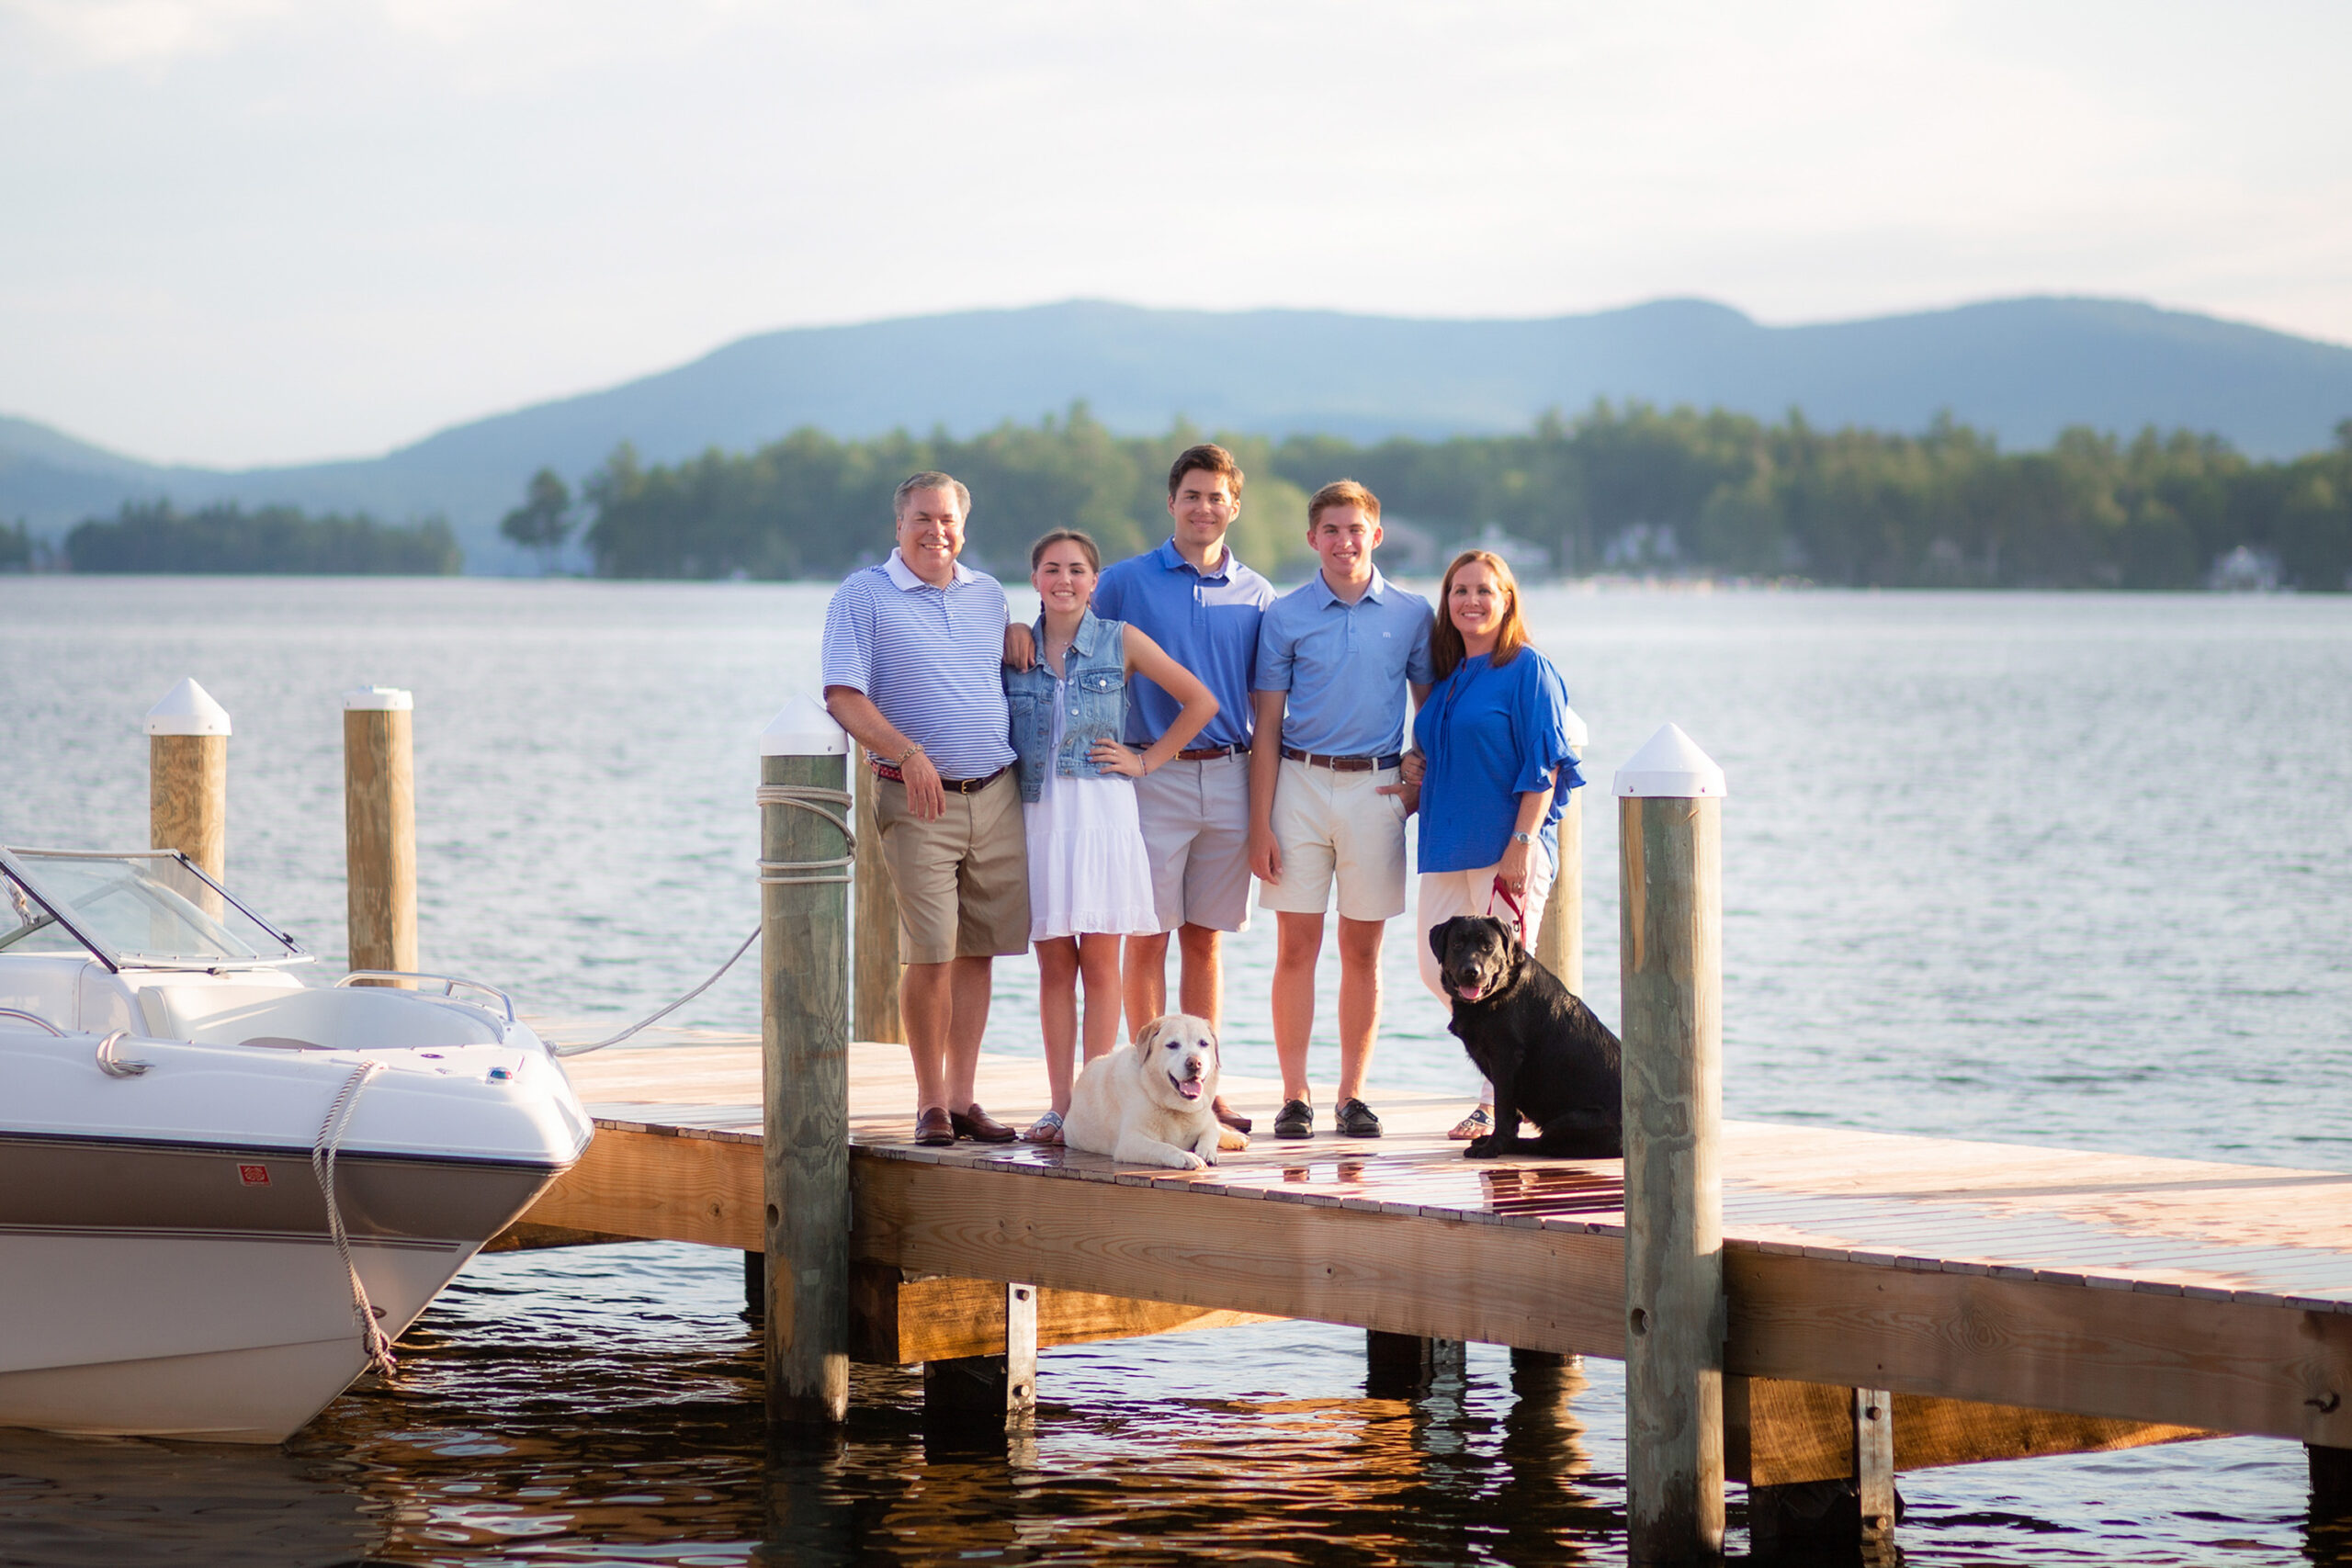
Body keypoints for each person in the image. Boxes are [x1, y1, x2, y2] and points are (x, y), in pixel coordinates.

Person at [821, 471, 1029, 1148]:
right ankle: (930, 1102)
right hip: (917, 800)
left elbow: (994, 673)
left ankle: (965, 1097)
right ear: (898, 524)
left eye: (947, 519)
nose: (936, 530)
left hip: (996, 791)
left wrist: (1024, 632)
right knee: (931, 954)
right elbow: (843, 696)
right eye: (922, 518)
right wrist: (908, 753)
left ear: (962, 526)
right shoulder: (864, 595)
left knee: (979, 951)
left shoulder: (989, 595)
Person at [1005, 529, 1220, 1145]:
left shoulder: (1119, 639)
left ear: (1095, 582)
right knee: (1053, 965)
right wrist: (1007, 635)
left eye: (1076, 569)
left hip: (1102, 812)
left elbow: (1199, 700)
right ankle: (1058, 1103)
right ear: (1036, 579)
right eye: (1051, 568)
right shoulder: (1014, 646)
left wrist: (1147, 760)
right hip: (1039, 812)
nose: (1064, 579)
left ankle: (1089, 1107)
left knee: (1101, 964)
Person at [1091, 443, 1274, 1134]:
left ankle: (1203, 1089)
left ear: (1235, 506)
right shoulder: (1124, 582)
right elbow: (1073, 640)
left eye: (1217, 497)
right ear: (1172, 503)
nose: (1204, 507)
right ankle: (1147, 1084)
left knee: (1205, 939)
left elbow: (1270, 699)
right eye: (1192, 495)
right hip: (1150, 774)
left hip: (1231, 772)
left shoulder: (1258, 593)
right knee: (1147, 935)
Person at [1249, 480, 1433, 1139]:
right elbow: (1265, 727)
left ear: (1376, 535)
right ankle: (1294, 1094)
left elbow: (1431, 713)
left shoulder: (1412, 614)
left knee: (1363, 950)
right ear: (1312, 539)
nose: (1344, 541)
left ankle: (1352, 1094)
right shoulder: (1286, 615)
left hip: (1375, 791)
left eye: (1355, 529)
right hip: (1298, 786)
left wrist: (1415, 786)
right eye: (1331, 529)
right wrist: (1258, 822)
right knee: (1295, 948)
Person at [1398, 548, 1586, 1140]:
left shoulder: (1528, 669)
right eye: (1459, 590)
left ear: (1507, 601)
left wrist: (1523, 841)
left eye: (1485, 590)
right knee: (1439, 972)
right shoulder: (1452, 680)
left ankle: (1495, 1102)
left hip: (1507, 847)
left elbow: (1546, 763)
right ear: (1446, 602)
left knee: (1505, 982)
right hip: (1446, 845)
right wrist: (1415, 761)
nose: (1472, 601)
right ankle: (1511, 1086)